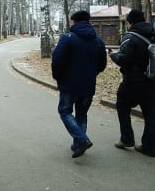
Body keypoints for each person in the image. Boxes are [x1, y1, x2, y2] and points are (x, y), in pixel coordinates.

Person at [52, 10, 107, 158]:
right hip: (88, 84)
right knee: (81, 114)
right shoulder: (99, 41)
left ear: (74, 21)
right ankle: (78, 144)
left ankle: (82, 140)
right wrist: (91, 74)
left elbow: (57, 60)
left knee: (65, 112)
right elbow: (102, 64)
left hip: (69, 84)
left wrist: (58, 77)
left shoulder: (68, 38)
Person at [109, 9, 155, 157]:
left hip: (132, 81)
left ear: (130, 22)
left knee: (122, 105)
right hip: (151, 80)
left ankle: (127, 138)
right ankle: (149, 147)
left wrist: (113, 56)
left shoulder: (130, 37)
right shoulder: (153, 34)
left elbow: (125, 59)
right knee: (150, 114)